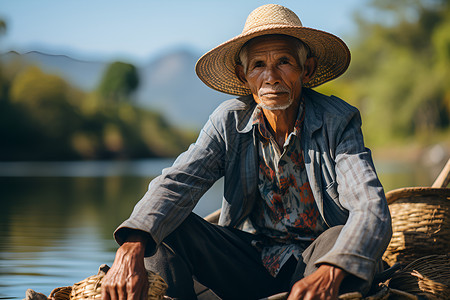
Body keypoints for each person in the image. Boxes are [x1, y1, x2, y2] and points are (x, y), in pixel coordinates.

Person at [102, 4, 392, 300]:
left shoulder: (337, 121)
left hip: (318, 265)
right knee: (166, 229)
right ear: (243, 76)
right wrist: (131, 245)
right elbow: (178, 181)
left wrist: (333, 268)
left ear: (307, 69)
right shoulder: (229, 121)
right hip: (251, 263)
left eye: (284, 62)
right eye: (258, 66)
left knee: (337, 237)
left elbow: (370, 206)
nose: (271, 77)